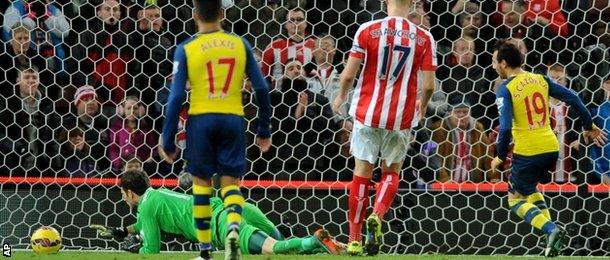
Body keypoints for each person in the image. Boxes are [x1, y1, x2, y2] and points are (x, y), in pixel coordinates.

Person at [158, 1, 272, 260]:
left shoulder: (186, 48)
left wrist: (167, 139)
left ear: (195, 16)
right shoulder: (240, 44)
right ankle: (233, 227)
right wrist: (263, 129)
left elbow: (175, 97)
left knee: (201, 187)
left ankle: (206, 251)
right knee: (230, 184)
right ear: (223, 14)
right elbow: (262, 89)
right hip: (233, 118)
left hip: (201, 120)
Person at [331, 0, 437, 256]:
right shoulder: (424, 37)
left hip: (367, 113)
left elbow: (347, 75)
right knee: (391, 171)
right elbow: (429, 85)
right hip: (401, 116)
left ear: (384, 2)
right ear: (411, 4)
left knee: (361, 173)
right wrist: (422, 104)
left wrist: (340, 97)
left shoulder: (367, 29)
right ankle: (377, 215)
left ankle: (354, 239)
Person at [490, 41, 607, 257]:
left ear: (504, 63)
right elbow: (574, 98)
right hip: (551, 147)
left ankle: (551, 230)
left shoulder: (504, 89)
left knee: (515, 199)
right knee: (529, 189)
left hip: (528, 151)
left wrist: (499, 156)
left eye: (494, 61)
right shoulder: (541, 79)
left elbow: (505, 128)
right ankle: (551, 241)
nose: (493, 65)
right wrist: (588, 125)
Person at [90, 170, 342, 255]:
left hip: (221, 224)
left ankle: (314, 239)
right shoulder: (156, 196)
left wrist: (130, 248)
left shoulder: (146, 206)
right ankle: (329, 246)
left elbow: (152, 249)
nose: (122, 198)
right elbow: (146, 224)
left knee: (273, 249)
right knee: (283, 247)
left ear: (130, 193)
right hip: (237, 208)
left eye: (122, 193)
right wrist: (125, 231)